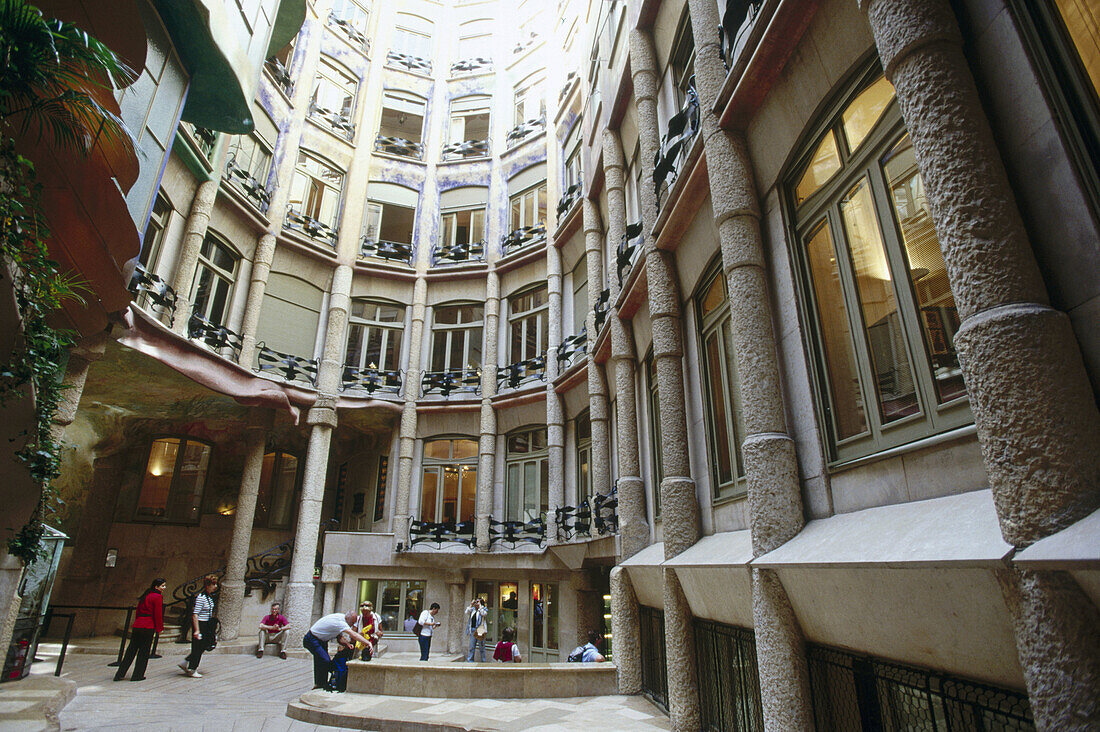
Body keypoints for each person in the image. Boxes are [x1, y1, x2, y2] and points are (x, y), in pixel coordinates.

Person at [303, 611, 371, 692]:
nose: (352, 625)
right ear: (348, 619)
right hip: (311, 639)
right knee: (325, 660)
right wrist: (367, 642)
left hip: (322, 640)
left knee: (320, 659)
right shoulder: (340, 622)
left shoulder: (342, 618)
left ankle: (320, 683)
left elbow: (339, 638)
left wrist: (347, 644)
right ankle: (323, 681)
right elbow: (354, 634)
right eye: (352, 622)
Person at [114, 578, 165, 682]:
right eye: (162, 586)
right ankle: (137, 675)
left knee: (131, 650)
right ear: (156, 587)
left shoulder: (145, 595)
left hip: (138, 625)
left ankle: (119, 674)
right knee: (144, 652)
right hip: (148, 626)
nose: (164, 588)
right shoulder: (157, 597)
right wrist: (159, 628)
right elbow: (158, 614)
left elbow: (138, 612)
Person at [178, 574, 218, 678]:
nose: (215, 586)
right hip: (201, 623)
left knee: (204, 645)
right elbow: (195, 614)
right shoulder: (201, 597)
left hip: (207, 624)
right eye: (213, 584)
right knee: (198, 647)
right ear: (208, 585)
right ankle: (192, 668)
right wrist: (197, 630)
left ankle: (187, 662)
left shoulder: (209, 597)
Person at [464, 597, 488, 662]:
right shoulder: (473, 610)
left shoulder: (483, 609)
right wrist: (471, 604)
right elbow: (466, 612)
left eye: (477, 602)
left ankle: (483, 661)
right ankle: (470, 660)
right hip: (473, 629)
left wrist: (480, 606)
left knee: (481, 647)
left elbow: (483, 614)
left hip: (480, 629)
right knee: (471, 647)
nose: (476, 604)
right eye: (476, 602)